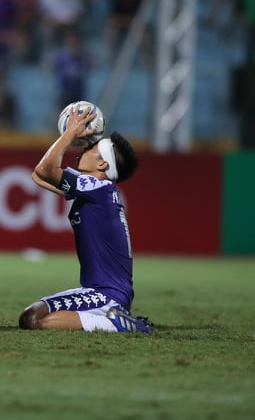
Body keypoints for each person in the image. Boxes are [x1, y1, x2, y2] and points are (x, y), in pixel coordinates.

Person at [19, 106, 154, 333]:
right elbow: (39, 175)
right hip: (98, 292)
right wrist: (67, 138)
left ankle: (121, 325)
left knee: (32, 319)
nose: (83, 149)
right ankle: (112, 320)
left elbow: (44, 171)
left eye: (92, 149)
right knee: (31, 316)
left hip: (106, 294)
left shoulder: (96, 188)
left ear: (102, 164)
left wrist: (69, 134)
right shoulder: (98, 191)